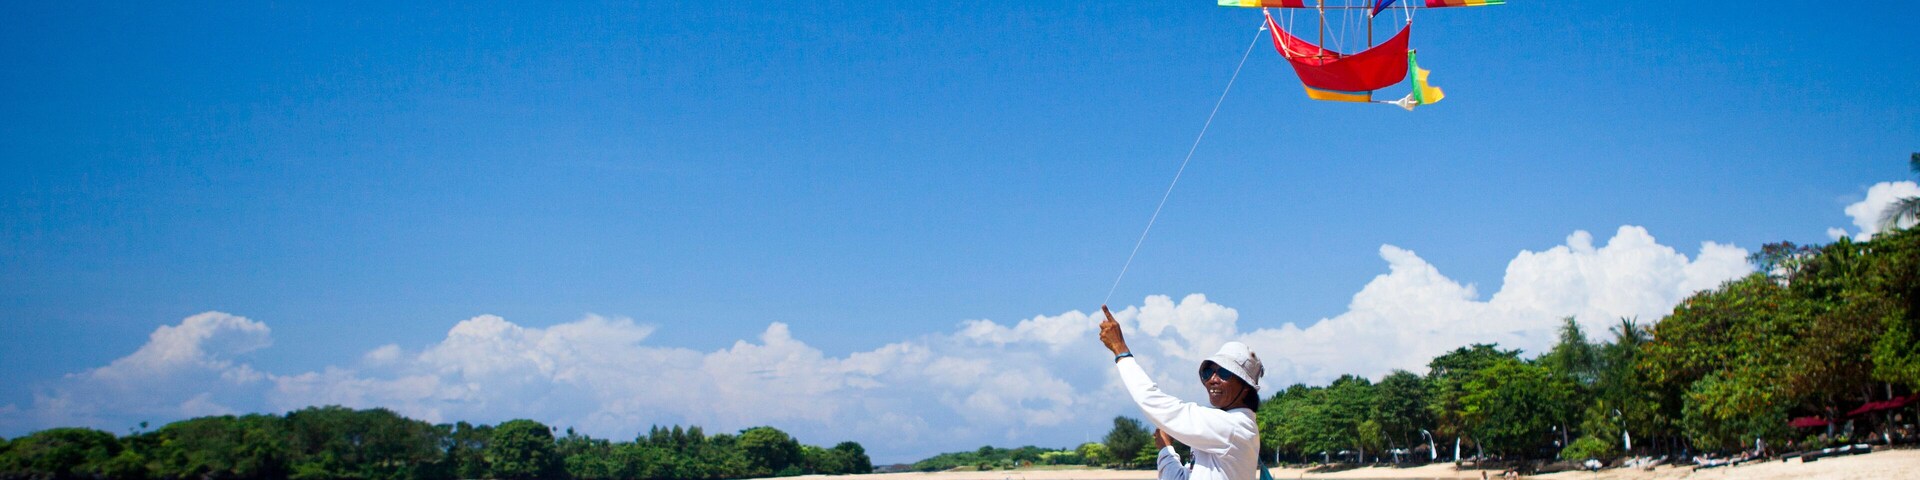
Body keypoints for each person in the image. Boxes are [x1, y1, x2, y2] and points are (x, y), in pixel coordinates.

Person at [1098, 305, 1263, 480]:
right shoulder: (1219, 433)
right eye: (1208, 372)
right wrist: (1166, 449)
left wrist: (1120, 350)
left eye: (1224, 373)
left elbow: (1152, 401)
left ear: (1246, 387)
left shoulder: (1233, 427)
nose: (1213, 379)